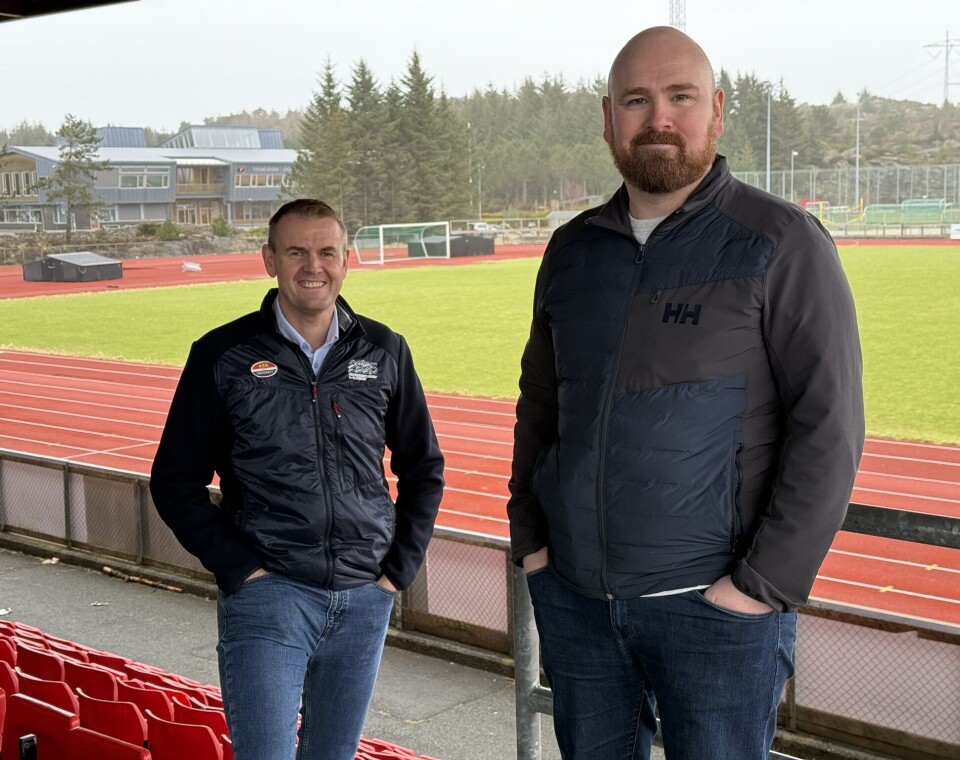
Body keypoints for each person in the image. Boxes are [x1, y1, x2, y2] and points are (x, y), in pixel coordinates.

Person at [507, 26, 864, 760]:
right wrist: (532, 543)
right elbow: (540, 404)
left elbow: (828, 429)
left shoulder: (781, 241)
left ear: (717, 111)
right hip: (575, 602)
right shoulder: (572, 252)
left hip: (714, 616)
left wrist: (759, 589)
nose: (658, 118)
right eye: (636, 100)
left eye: (680, 97)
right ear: (609, 118)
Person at [150, 199, 444, 760]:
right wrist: (244, 569)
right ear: (270, 260)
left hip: (364, 597)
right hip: (270, 595)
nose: (315, 266)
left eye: (327, 252)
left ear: (345, 260)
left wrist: (395, 571)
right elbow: (174, 481)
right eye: (297, 252)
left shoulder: (384, 350)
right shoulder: (223, 355)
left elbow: (424, 465)